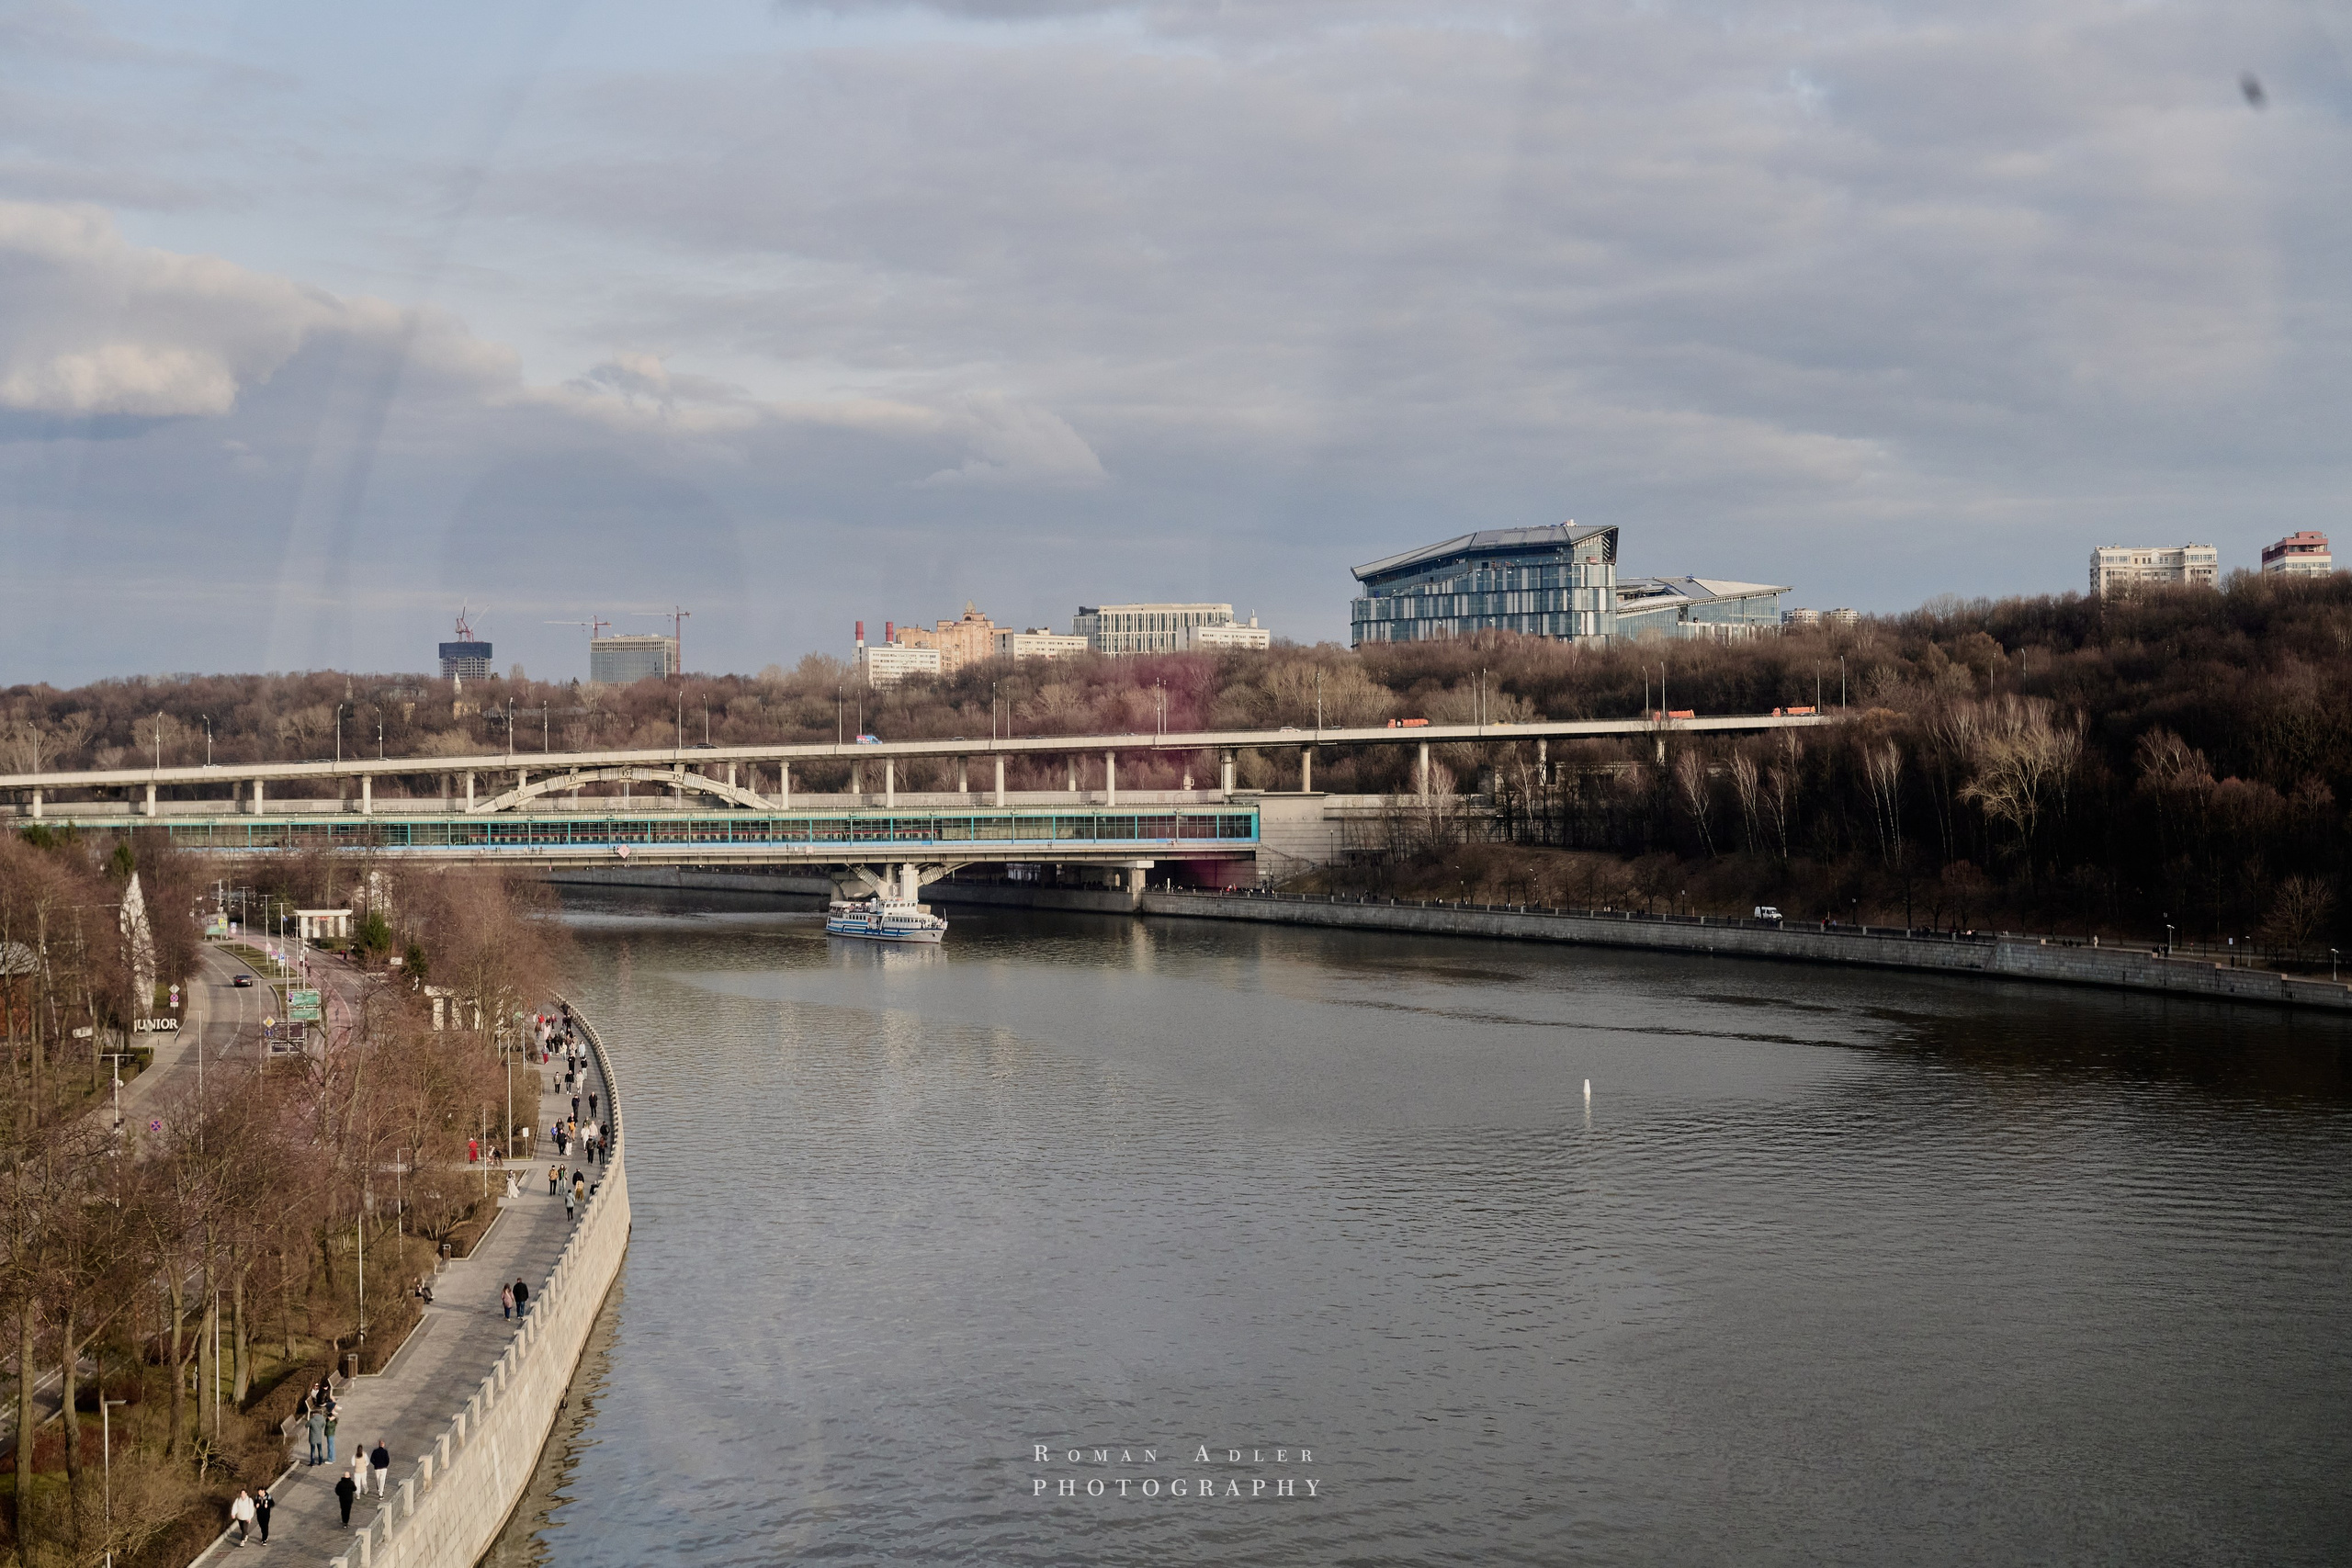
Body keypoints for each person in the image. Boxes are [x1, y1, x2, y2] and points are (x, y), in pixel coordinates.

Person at [306, 1400, 327, 1464]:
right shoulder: (322, 1419)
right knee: (320, 1449)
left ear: (314, 1414)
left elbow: (306, 1425)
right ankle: (320, 1461)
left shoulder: (312, 1420)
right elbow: (323, 1425)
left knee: (312, 1450)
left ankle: (312, 1462)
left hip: (312, 1437)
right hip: (319, 1436)